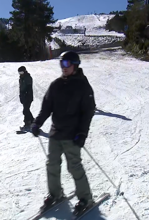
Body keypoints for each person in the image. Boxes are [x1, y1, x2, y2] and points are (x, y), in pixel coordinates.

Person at [30, 51, 96, 213]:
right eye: (61, 64)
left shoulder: (83, 86)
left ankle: (85, 198)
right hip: (56, 133)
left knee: (74, 167)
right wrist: (37, 123)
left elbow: (88, 112)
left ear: (75, 65)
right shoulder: (56, 85)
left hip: (72, 135)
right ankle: (56, 194)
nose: (63, 67)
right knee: (51, 164)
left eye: (67, 64)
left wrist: (82, 133)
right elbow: (46, 107)